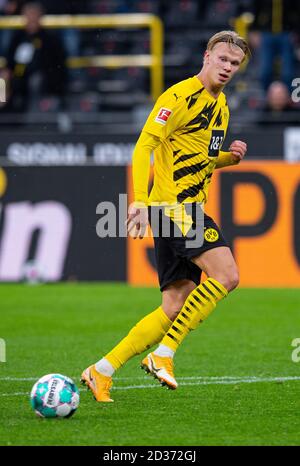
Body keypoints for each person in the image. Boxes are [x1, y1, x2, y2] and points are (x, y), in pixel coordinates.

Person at [81, 30, 250, 402]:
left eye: (234, 64)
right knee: (226, 274)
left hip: (186, 209)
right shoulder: (178, 96)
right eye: (222, 59)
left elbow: (202, 159)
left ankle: (101, 370)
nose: (227, 68)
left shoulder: (221, 109)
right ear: (207, 56)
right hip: (173, 209)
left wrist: (228, 159)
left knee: (175, 307)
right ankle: (163, 355)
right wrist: (139, 199)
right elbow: (145, 145)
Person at [1, 2, 66, 112]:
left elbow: (55, 64)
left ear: (40, 17)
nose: (31, 18)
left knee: (35, 81)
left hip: (41, 76)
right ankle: (3, 111)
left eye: (34, 15)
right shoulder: (18, 36)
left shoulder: (49, 38)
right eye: (28, 15)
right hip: (19, 75)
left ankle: (32, 113)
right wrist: (7, 73)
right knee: (1, 81)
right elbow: (10, 60)